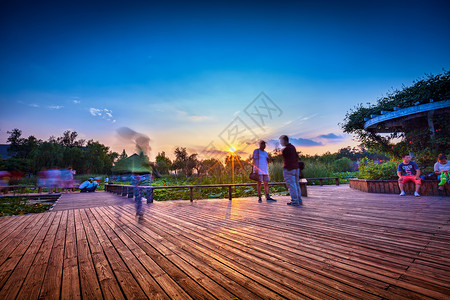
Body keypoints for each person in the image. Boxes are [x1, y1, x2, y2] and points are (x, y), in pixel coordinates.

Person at [279, 135, 302, 206]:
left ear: (284, 141)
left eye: (281, 141)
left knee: (291, 185)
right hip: (296, 168)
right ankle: (299, 199)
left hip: (289, 169)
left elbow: (284, 157)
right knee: (296, 184)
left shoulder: (286, 150)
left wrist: (281, 151)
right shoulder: (293, 147)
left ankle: (294, 201)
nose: (280, 142)